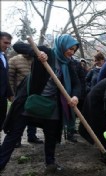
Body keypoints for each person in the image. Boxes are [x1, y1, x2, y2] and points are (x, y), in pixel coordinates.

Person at [0, 34, 81, 173]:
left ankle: (50, 163)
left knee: (51, 136)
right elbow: (18, 46)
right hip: (30, 101)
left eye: (74, 50)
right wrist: (36, 52)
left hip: (51, 106)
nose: (71, 52)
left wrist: (75, 96)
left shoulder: (69, 64)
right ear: (62, 45)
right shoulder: (47, 52)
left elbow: (77, 84)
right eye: (70, 49)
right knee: (14, 133)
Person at [8, 50, 43, 147]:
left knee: (32, 114)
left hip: (32, 94)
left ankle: (32, 136)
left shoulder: (35, 60)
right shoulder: (14, 60)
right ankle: (17, 139)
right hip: (19, 95)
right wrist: (11, 94)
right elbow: (9, 78)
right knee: (17, 118)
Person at [0, 32, 14, 143]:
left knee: (1, 120)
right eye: (5, 42)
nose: (8, 45)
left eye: (9, 43)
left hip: (2, 96)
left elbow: (5, 78)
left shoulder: (4, 56)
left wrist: (9, 94)